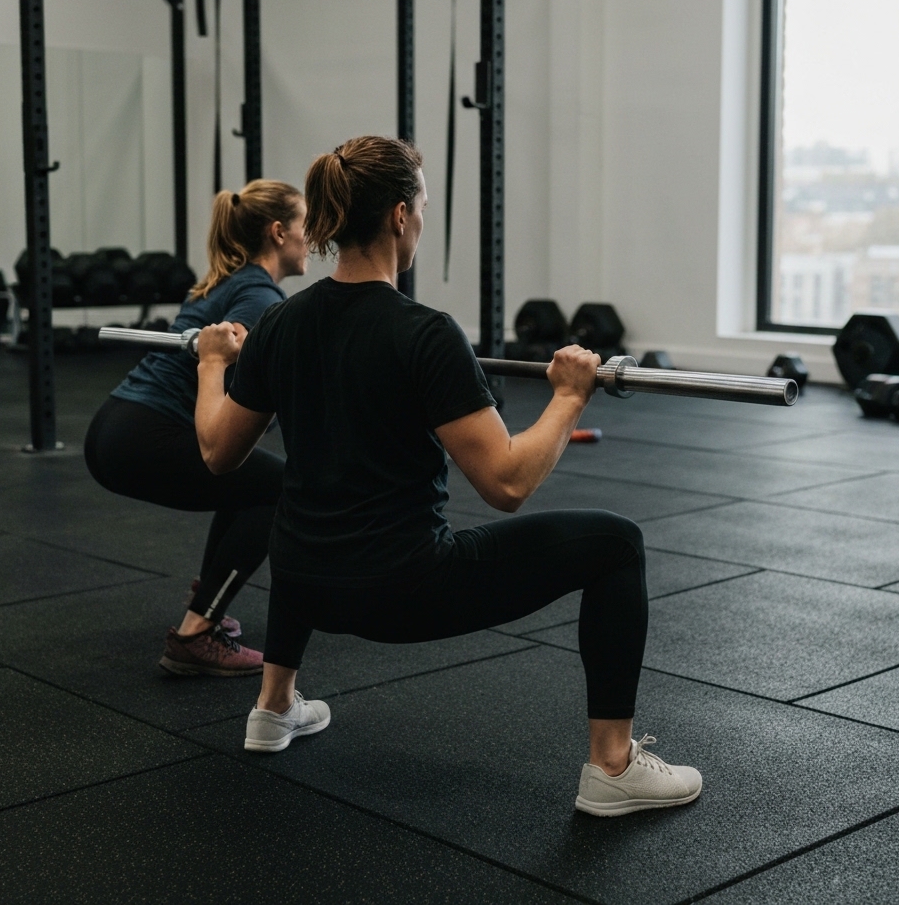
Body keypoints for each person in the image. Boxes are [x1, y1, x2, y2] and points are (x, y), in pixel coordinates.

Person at [192, 137, 701, 817]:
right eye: (424, 207)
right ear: (401, 217)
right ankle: (613, 767)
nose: (422, 221)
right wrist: (571, 396)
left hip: (306, 584)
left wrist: (210, 363)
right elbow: (507, 484)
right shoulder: (425, 333)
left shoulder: (281, 322)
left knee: (310, 499)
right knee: (617, 543)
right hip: (401, 592)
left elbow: (218, 454)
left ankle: (274, 706)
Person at [85, 179, 307, 678]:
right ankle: (196, 631)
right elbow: (250, 386)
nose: (310, 237)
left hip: (117, 428)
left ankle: (207, 600)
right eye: (304, 224)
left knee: (245, 478)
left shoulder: (232, 282)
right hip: (145, 434)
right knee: (281, 489)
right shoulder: (256, 296)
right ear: (278, 232)